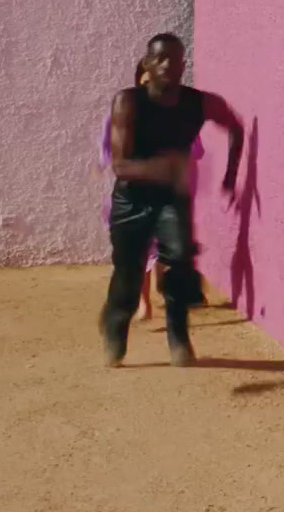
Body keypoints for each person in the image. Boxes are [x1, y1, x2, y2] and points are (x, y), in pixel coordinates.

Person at [100, 33, 244, 367]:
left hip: (171, 198)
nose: (168, 64)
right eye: (160, 58)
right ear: (148, 64)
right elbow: (120, 164)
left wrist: (230, 177)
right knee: (129, 271)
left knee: (179, 260)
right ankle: (115, 332)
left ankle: (179, 338)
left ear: (183, 64)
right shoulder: (128, 101)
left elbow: (236, 127)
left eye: (176, 58)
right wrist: (167, 166)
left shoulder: (200, 102)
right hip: (131, 199)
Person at [98, 61, 205, 322]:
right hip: (135, 196)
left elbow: (196, 150)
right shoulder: (122, 115)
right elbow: (108, 152)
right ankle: (143, 303)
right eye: (146, 83)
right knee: (139, 251)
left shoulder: (177, 116)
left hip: (168, 195)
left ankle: (171, 294)